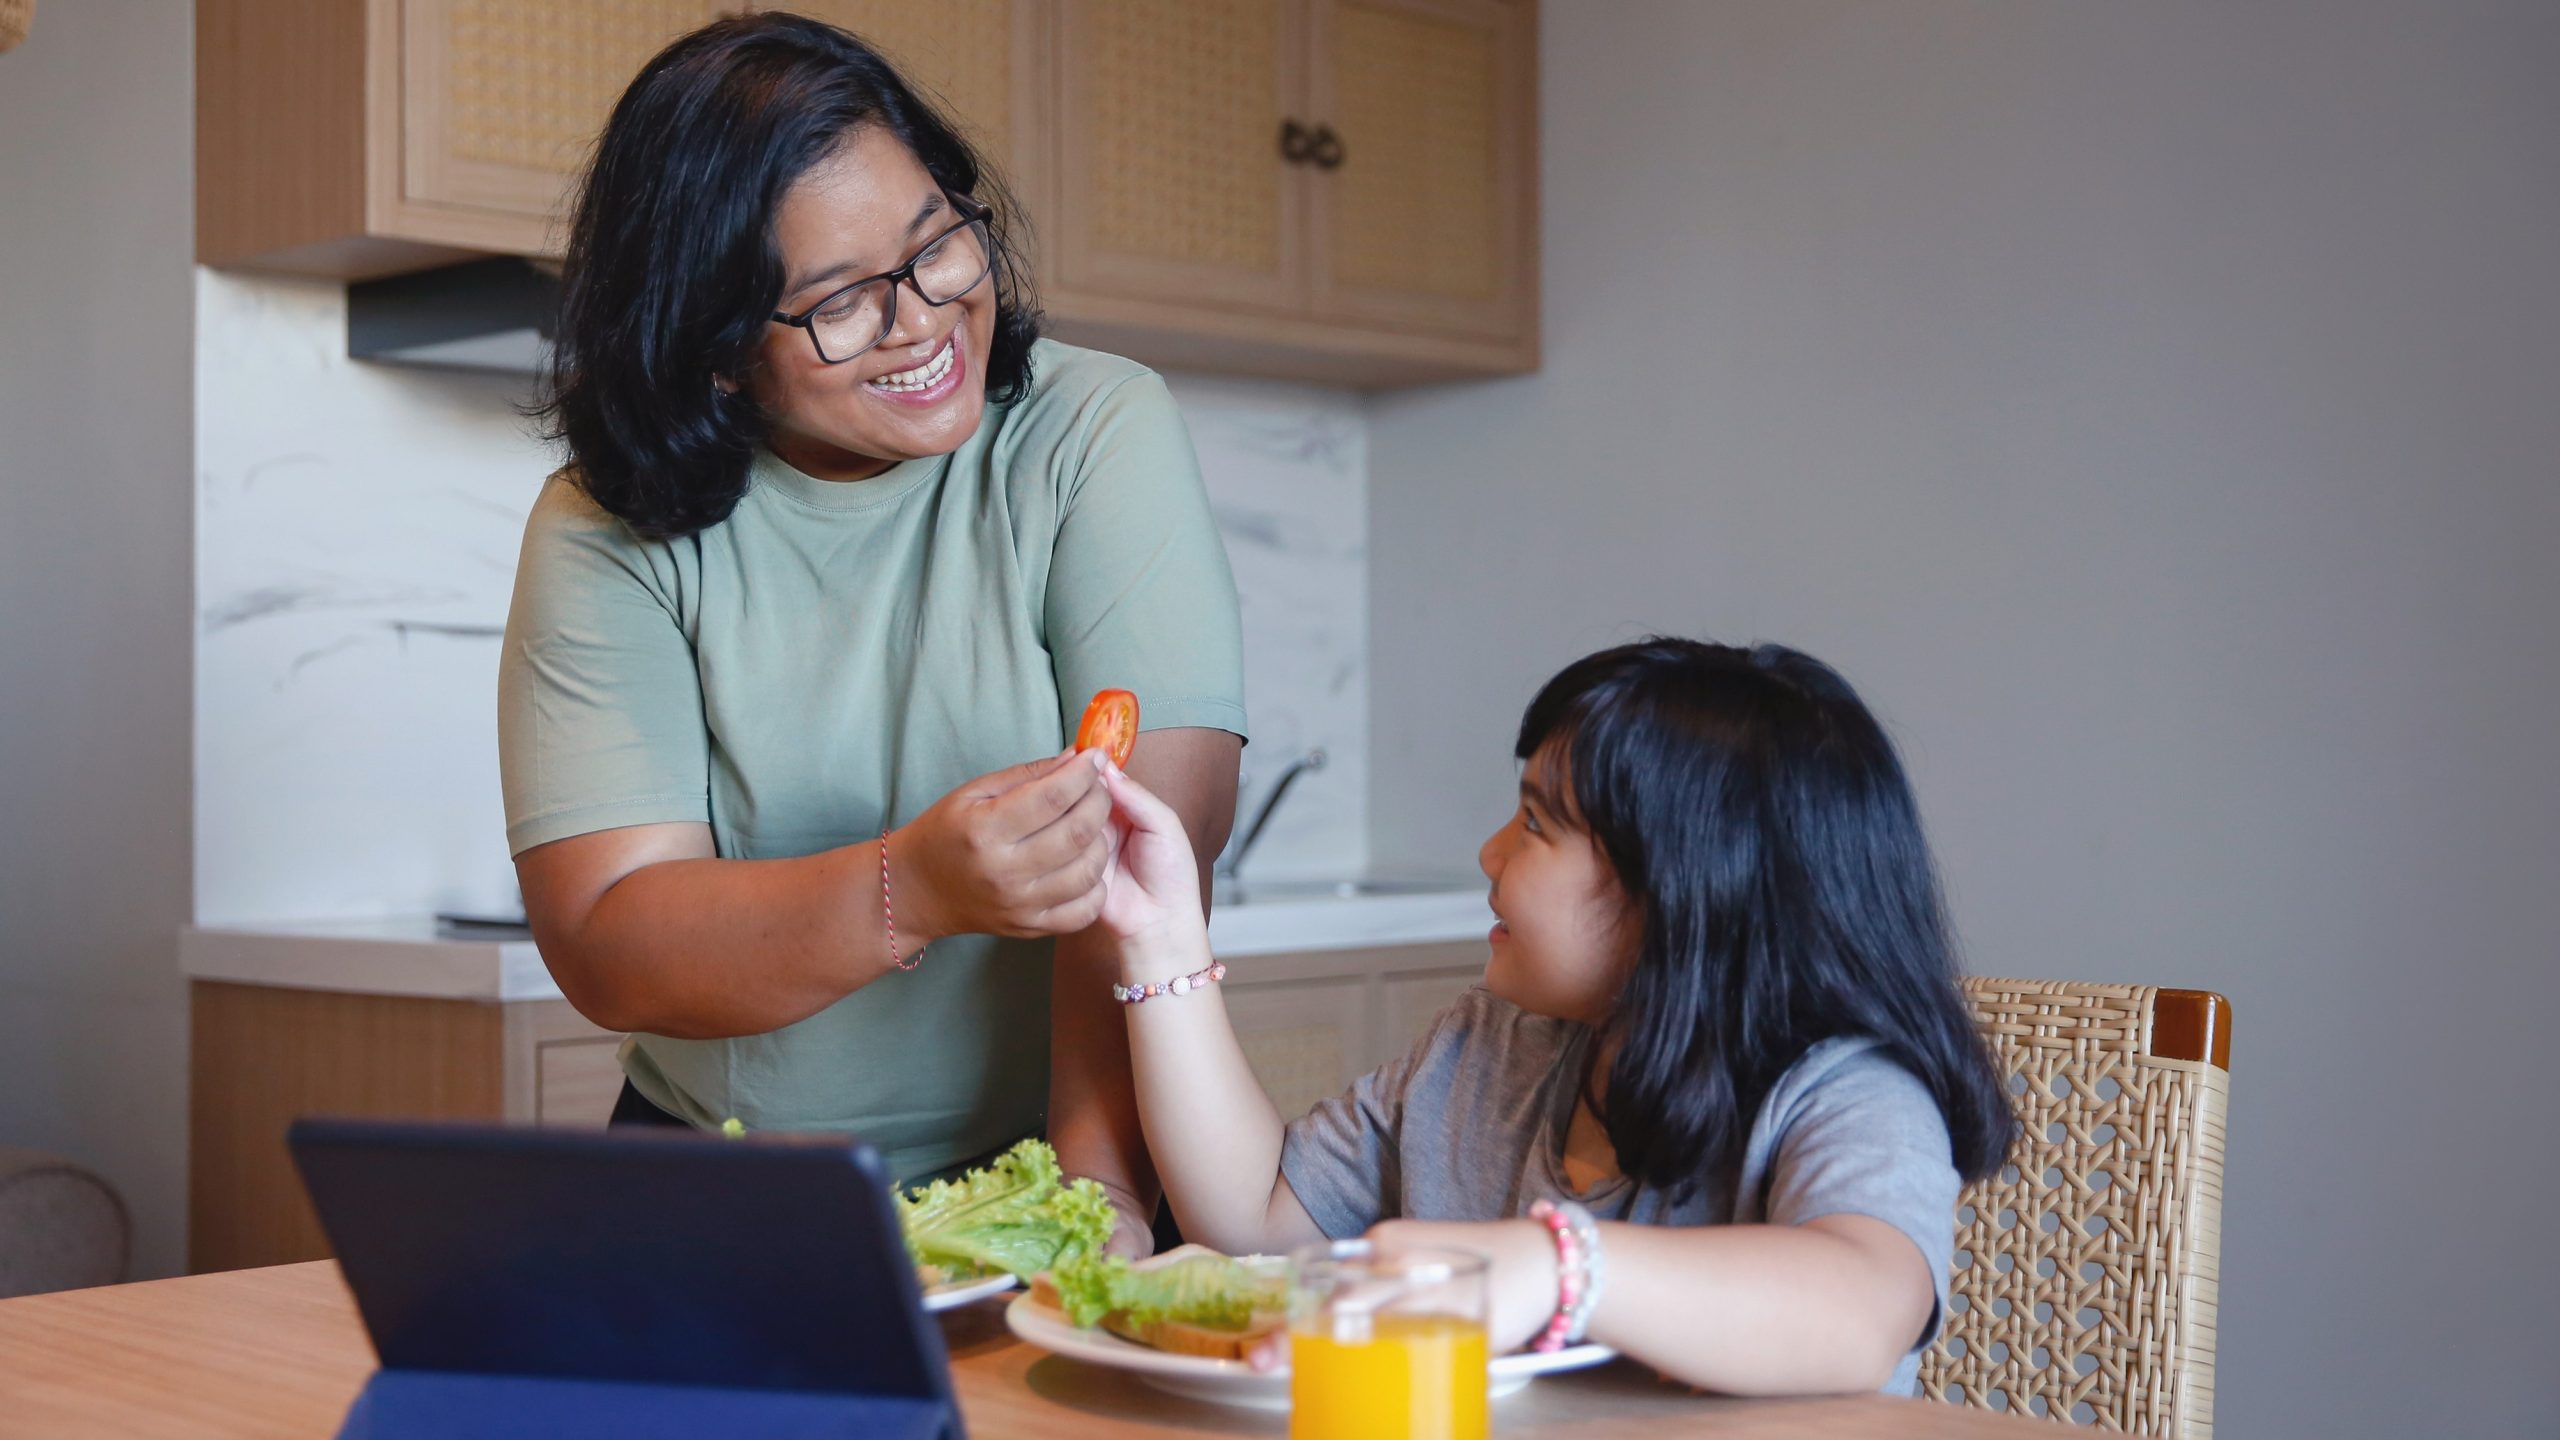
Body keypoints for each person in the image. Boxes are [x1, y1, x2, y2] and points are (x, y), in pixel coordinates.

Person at [498, 13, 1246, 1252]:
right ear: (718, 347)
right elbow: (609, 941)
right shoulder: (602, 526)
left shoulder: (1094, 430)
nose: (921, 323)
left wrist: (1095, 1200)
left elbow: (1151, 866)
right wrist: (918, 888)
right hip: (722, 1189)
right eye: (839, 301)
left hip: (1044, 1169)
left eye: (937, 247)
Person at [1086, 638, 2013, 1392]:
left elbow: (1858, 1313)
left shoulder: (1847, 1094)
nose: (1489, 854)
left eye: (1534, 824)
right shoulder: (1486, 1049)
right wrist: (1163, 938)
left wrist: (1548, 1266)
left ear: (1683, 887)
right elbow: (1255, 1223)